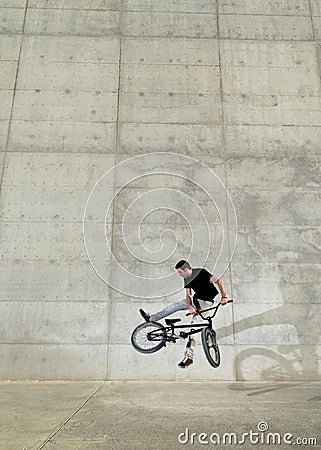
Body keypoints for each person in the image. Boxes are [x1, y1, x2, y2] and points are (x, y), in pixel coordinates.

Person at [139, 260, 228, 369]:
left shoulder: (202, 272)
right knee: (174, 306)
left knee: (194, 326)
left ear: (186, 269)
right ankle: (151, 318)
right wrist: (190, 307)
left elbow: (219, 282)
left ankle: (189, 357)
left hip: (206, 303)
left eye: (180, 272)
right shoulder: (187, 279)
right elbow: (188, 295)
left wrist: (224, 297)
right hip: (195, 301)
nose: (180, 275)